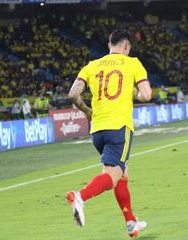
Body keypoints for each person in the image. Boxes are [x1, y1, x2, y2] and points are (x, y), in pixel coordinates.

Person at [66, 30, 152, 238]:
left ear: (109, 45)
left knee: (122, 174)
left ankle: (131, 223)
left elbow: (73, 94)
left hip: (98, 131)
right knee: (112, 178)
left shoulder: (92, 66)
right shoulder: (133, 63)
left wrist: (87, 112)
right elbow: (147, 95)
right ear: (126, 47)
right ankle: (80, 196)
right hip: (119, 129)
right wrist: (134, 93)